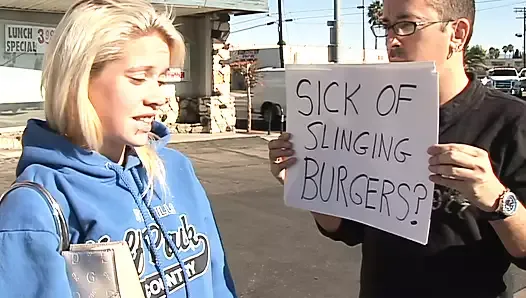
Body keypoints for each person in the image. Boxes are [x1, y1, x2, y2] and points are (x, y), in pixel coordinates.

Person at [269, 0, 526, 297]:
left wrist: (497, 200)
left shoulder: (511, 121)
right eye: (387, 26)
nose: (392, 40)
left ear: (458, 33)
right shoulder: (368, 116)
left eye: (407, 25)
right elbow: (346, 230)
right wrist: (306, 181)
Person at [0, 0, 236, 297]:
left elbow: (218, 282)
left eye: (163, 78)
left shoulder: (175, 169)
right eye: (138, 78)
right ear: (80, 79)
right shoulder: (34, 207)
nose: (159, 97)